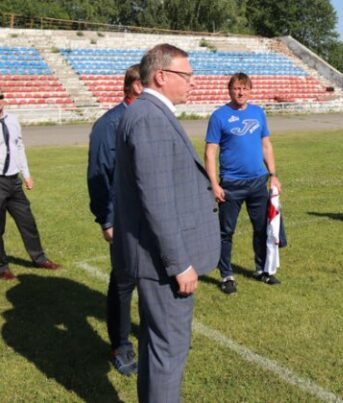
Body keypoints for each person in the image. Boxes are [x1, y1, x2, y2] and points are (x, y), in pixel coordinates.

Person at [113, 43, 220, 402]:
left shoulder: (147, 113)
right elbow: (156, 200)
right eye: (186, 76)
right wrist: (180, 263)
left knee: (157, 348)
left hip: (156, 258)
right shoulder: (149, 118)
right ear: (162, 76)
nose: (192, 82)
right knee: (167, 351)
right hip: (162, 263)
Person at [86, 64, 142, 375]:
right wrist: (106, 220)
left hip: (151, 219)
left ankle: (151, 335)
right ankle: (121, 345)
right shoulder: (109, 125)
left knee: (151, 281)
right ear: (134, 86)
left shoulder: (152, 119)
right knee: (123, 282)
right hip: (122, 220)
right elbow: (98, 176)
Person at [205, 72, 283, 294]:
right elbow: (210, 153)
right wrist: (215, 184)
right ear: (230, 90)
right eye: (236, 88)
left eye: (244, 88)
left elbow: (266, 145)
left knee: (261, 229)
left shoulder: (258, 113)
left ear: (250, 90)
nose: (240, 92)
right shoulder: (219, 116)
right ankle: (226, 275)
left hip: (258, 182)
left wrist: (273, 174)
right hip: (231, 185)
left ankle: (262, 270)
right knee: (225, 231)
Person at [0, 87, 60, 281]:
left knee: (28, 222)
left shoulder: (12, 120)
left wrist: (26, 175)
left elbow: (19, 146)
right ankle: (2, 267)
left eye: (1, 97)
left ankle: (39, 259)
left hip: (14, 181)